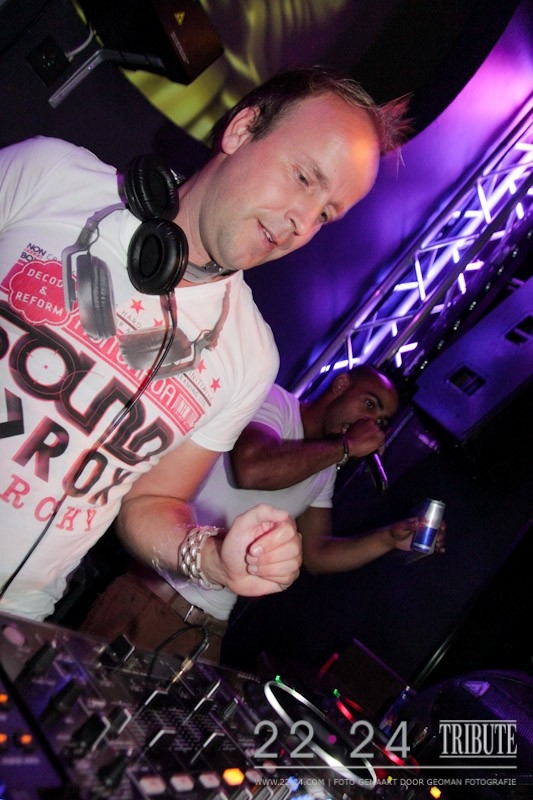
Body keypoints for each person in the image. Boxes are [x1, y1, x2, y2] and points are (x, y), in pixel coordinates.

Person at [0, 66, 409, 638]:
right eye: (302, 177)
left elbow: (153, 501)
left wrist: (209, 555)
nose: (302, 222)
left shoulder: (249, 356)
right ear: (242, 130)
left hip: (17, 617)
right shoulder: (47, 176)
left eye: (325, 214)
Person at [81, 365, 445, 662]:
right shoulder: (275, 402)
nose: (371, 423)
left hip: (208, 629)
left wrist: (388, 539)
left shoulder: (323, 468)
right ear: (340, 385)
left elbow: (316, 554)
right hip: (154, 597)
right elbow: (252, 467)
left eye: (381, 421)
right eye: (369, 404)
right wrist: (347, 447)